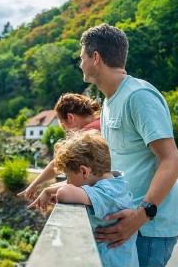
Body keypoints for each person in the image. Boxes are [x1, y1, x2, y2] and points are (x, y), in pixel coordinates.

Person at [79, 23, 178, 267]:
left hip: (147, 229)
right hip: (127, 224)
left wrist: (142, 215)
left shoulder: (139, 96)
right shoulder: (110, 100)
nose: (80, 64)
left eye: (81, 58)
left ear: (96, 57)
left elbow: (171, 159)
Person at [29, 131, 139, 267]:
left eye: (68, 177)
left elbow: (65, 193)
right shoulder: (116, 183)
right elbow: (71, 187)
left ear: (84, 172)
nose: (68, 182)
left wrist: (51, 190)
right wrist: (47, 190)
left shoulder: (106, 192)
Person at [18, 93, 101, 200]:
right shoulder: (101, 123)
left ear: (70, 117)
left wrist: (36, 185)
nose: (67, 135)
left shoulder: (88, 134)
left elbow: (60, 163)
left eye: (65, 127)